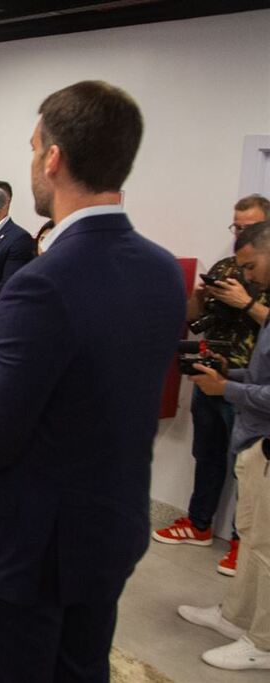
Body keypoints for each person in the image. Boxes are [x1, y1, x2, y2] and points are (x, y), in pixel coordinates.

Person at [0, 81, 185, 682]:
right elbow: (90, 345)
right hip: (109, 533)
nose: (32, 161)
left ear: (52, 158)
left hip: (33, 551)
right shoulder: (161, 272)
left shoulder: (43, 283)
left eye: (33, 148)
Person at [153, 193, 270, 576]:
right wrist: (199, 297)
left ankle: (242, 541)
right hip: (215, 374)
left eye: (248, 226)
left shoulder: (260, 276)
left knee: (248, 468)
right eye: (235, 226)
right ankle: (199, 524)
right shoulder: (226, 266)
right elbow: (192, 318)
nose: (240, 232)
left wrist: (246, 302)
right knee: (207, 456)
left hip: (251, 387)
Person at [178, 220, 270, 671]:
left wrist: (226, 392)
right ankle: (238, 618)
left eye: (253, 266)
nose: (248, 276)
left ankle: (264, 643)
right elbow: (260, 377)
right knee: (253, 540)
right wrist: (225, 376)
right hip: (257, 441)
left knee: (268, 551)